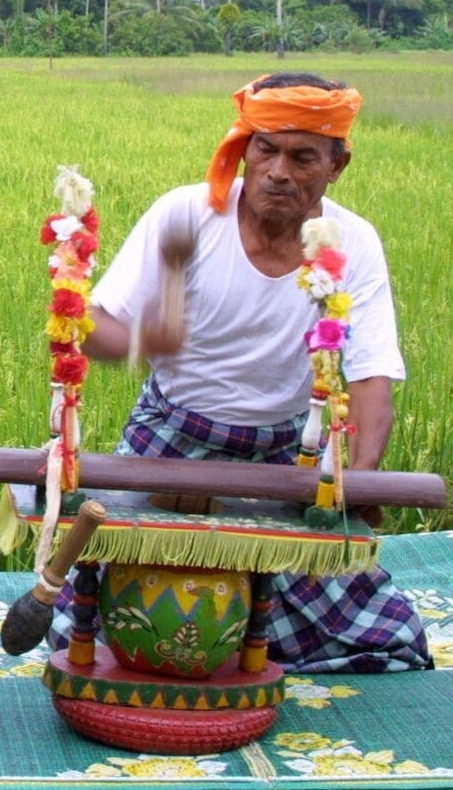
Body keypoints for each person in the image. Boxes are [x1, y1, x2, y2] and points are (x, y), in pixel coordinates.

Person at [54, 72, 430, 673]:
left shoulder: (351, 243)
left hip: (286, 458)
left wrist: (355, 484)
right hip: (170, 440)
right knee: (99, 635)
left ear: (338, 165)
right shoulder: (187, 214)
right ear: (244, 149)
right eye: (266, 149)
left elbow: (370, 379)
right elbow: (91, 324)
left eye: (303, 156)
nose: (279, 171)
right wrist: (148, 338)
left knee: (384, 638)